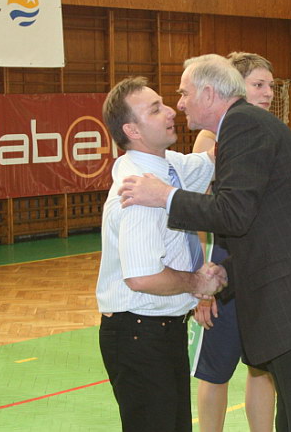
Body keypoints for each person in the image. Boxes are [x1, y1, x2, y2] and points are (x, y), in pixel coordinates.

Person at [119, 54, 291, 431]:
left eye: (184, 93)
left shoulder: (242, 125)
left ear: (208, 93)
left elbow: (234, 214)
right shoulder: (245, 125)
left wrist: (165, 196)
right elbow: (268, 227)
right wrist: (226, 273)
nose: (179, 104)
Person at [96, 76, 226, 432]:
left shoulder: (170, 166)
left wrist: (228, 103)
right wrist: (197, 282)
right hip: (138, 336)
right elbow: (142, 277)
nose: (171, 111)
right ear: (132, 130)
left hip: (161, 331)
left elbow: (214, 159)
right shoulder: (136, 190)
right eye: (155, 109)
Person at [191, 52, 277, 432]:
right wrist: (202, 283)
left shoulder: (266, 135)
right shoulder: (209, 140)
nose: (268, 93)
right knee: (215, 371)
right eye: (259, 85)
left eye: (270, 85)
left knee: (261, 367)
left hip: (258, 267)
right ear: (235, 88)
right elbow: (198, 214)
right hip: (221, 263)